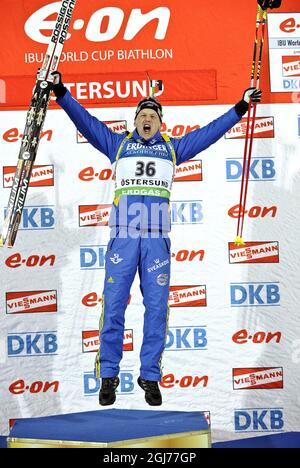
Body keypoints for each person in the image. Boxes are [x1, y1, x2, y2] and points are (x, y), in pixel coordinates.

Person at [51, 72, 261, 406]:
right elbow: (86, 122)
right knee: (114, 306)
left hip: (157, 242)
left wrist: (240, 107)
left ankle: (149, 376)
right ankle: (108, 376)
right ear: (134, 121)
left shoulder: (173, 149)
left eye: (153, 116)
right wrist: (62, 93)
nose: (147, 119)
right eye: (142, 115)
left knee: (157, 310)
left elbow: (208, 134)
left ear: (161, 123)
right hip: (123, 239)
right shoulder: (117, 143)